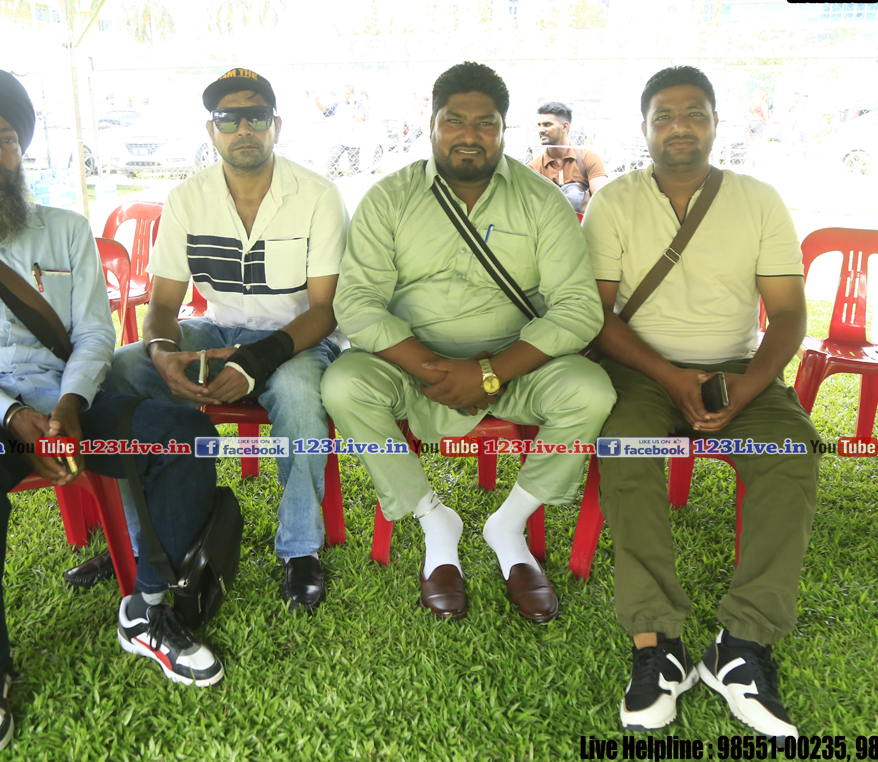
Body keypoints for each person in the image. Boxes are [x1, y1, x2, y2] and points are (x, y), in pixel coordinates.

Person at [0, 68, 225, 761]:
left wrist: (69, 406)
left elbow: (96, 333)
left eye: (7, 139)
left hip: (69, 399)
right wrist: (13, 415)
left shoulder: (67, 230)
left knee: (185, 433)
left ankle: (148, 609)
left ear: (22, 149)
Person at [322, 62, 616, 623]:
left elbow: (578, 308)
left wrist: (491, 371)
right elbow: (356, 303)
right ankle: (436, 523)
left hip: (516, 366)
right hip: (413, 368)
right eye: (454, 120)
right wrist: (434, 367)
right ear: (432, 123)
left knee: (590, 390)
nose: (469, 135)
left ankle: (509, 526)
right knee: (343, 383)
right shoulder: (389, 198)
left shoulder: (542, 200)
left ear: (504, 128)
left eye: (486, 123)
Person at [583, 65, 820, 739]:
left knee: (792, 452)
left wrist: (748, 384)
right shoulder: (614, 201)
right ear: (644, 128)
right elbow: (598, 317)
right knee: (626, 451)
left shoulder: (759, 200)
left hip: (739, 368)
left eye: (694, 114)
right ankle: (656, 644)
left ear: (717, 123)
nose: (679, 127)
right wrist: (668, 375)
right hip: (641, 369)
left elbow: (788, 314)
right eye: (664, 116)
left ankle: (741, 645)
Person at [101, 68, 348, 615]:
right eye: (228, 119)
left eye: (255, 117)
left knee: (300, 396)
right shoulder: (188, 198)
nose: (243, 129)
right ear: (211, 130)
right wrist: (162, 354)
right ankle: (147, 540)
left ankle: (301, 550)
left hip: (294, 339)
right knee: (120, 370)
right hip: (214, 331)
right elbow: (163, 306)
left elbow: (325, 310)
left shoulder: (317, 195)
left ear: (276, 125)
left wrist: (254, 361)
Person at [527, 101, 609, 211]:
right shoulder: (534, 168)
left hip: (583, 221)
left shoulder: (588, 158)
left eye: (547, 124)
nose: (541, 130)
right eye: (539, 125)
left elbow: (603, 200)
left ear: (565, 127)